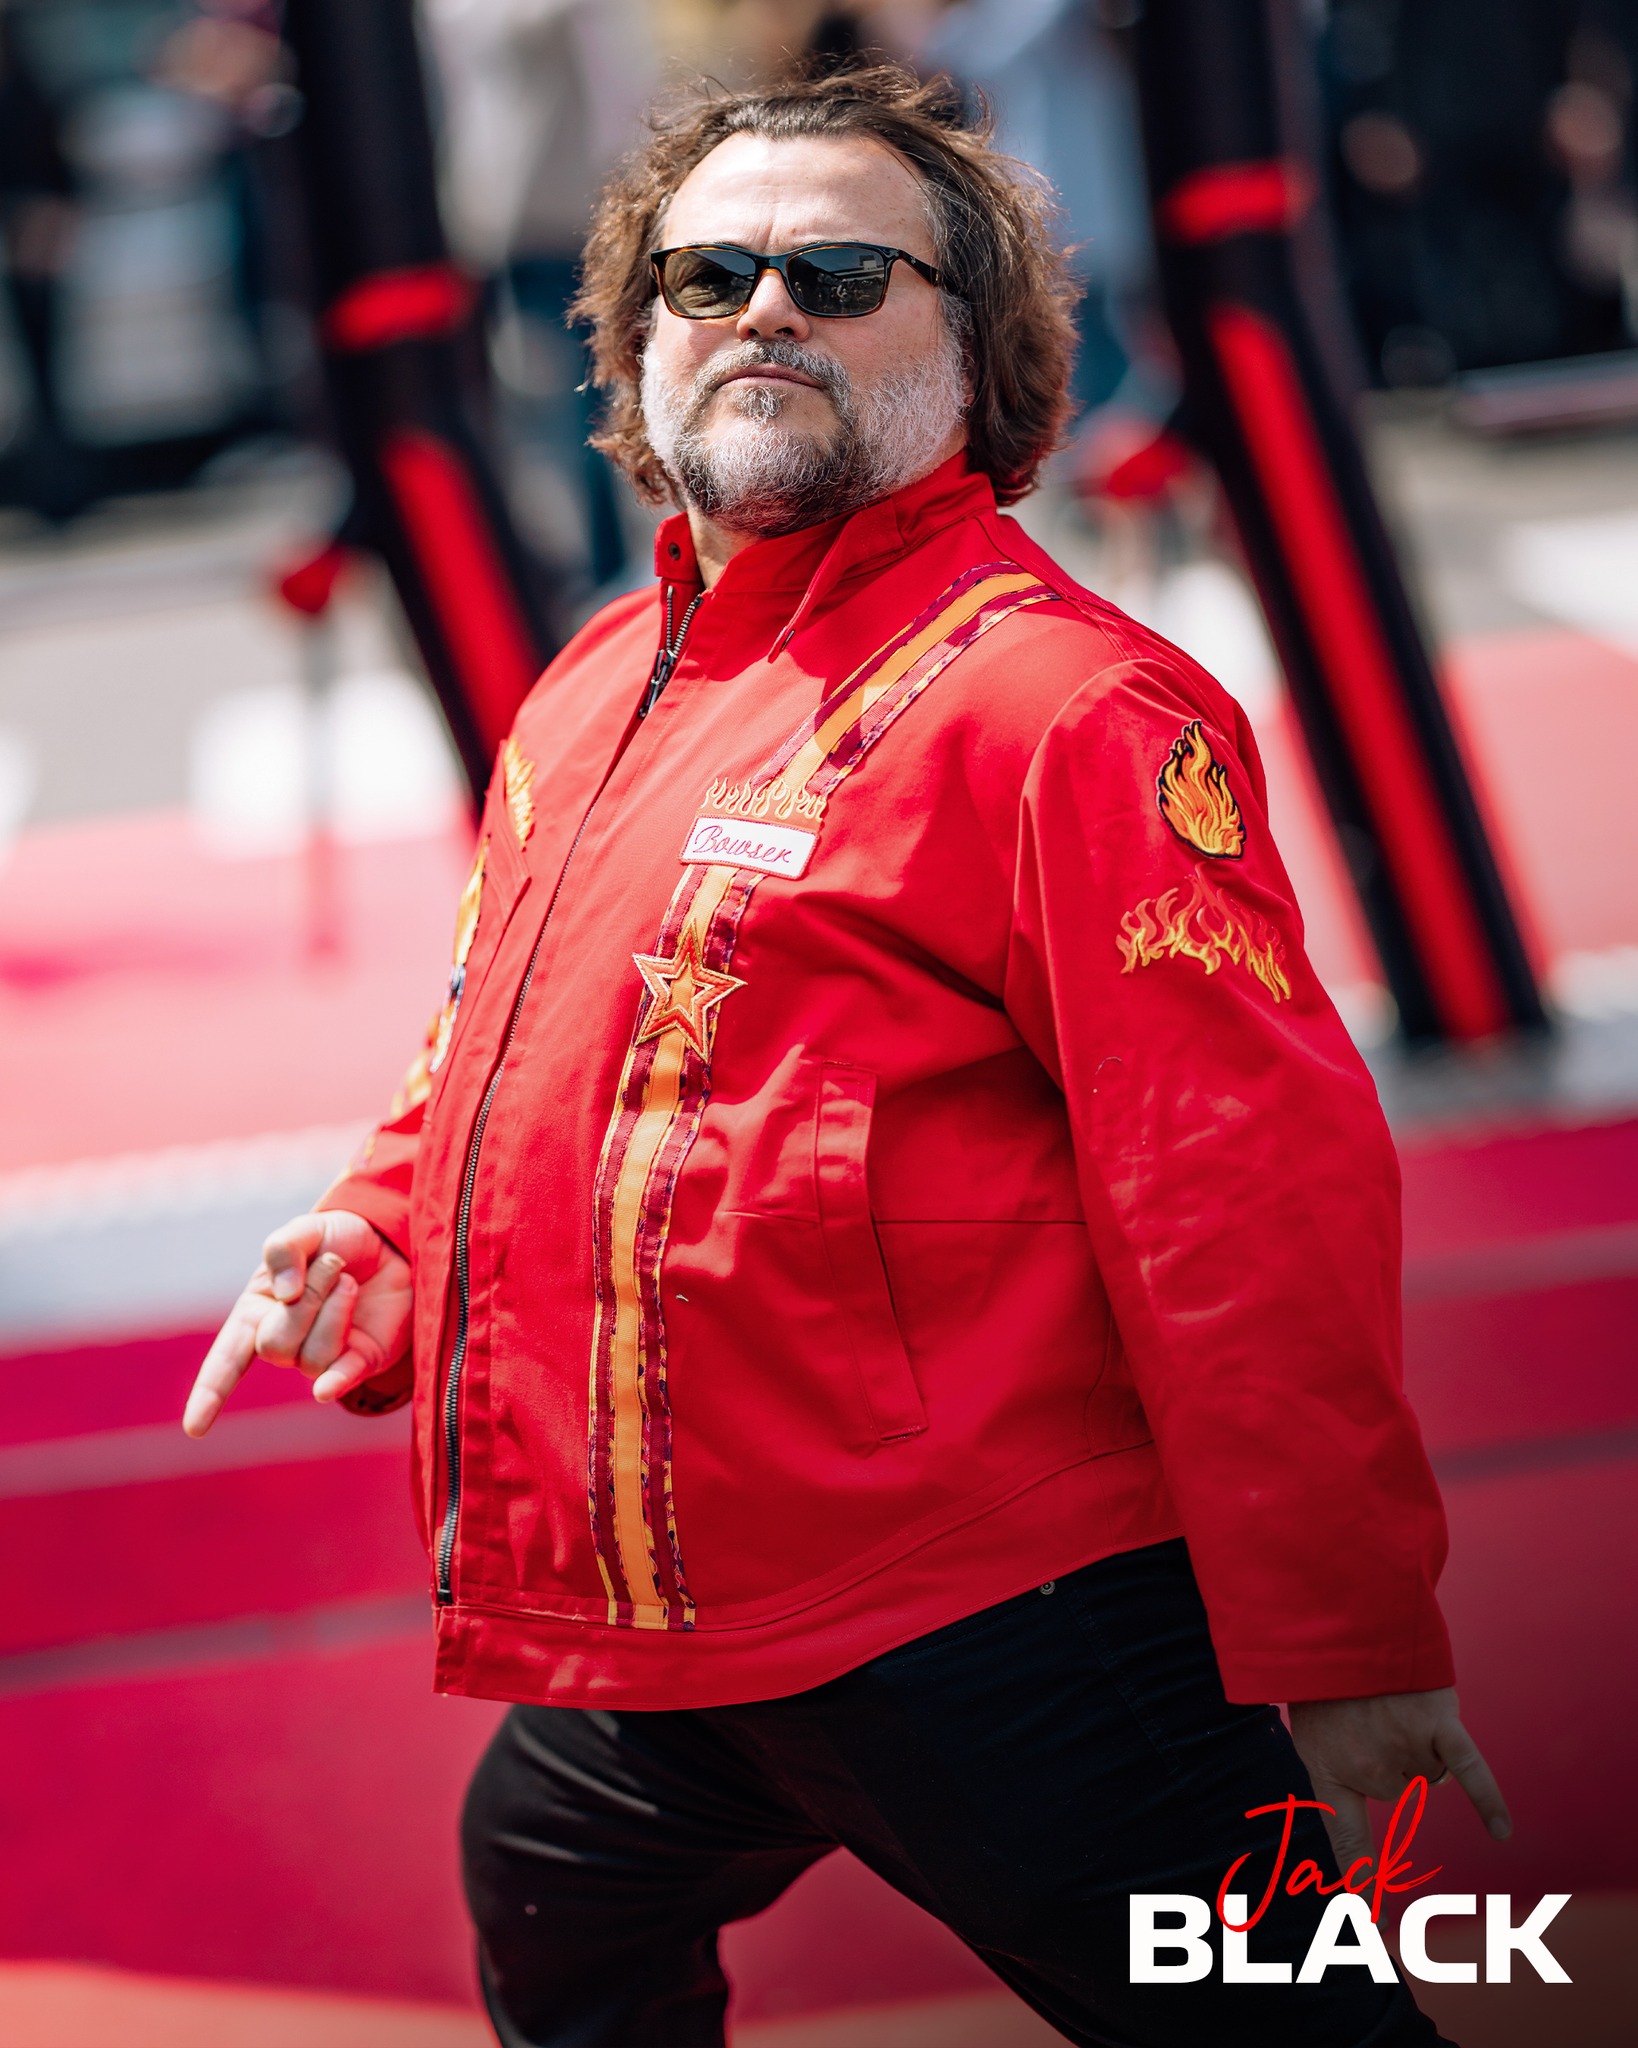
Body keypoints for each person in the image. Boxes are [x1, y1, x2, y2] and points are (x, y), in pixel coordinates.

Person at [184, 61, 1508, 2048]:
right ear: (637, 348)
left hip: (1004, 1621)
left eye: (838, 270)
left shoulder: (1062, 710)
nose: (764, 309)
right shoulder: (593, 684)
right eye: (709, 272)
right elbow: (495, 1040)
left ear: (980, 356)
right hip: (688, 1627)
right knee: (551, 1895)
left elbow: (1244, 1207)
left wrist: (1349, 1645)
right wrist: (379, 1224)